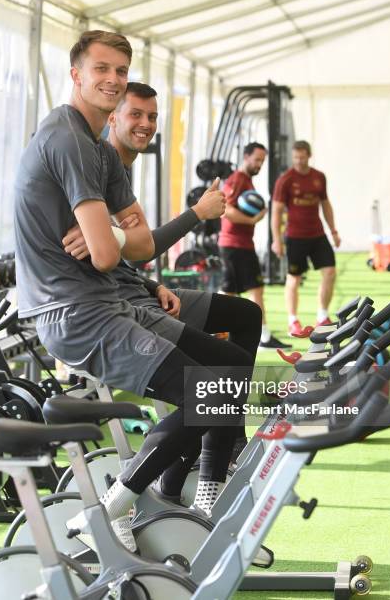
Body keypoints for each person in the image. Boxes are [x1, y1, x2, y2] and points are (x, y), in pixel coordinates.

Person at [14, 30, 253, 551]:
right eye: (102, 69)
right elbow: (105, 255)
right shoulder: (69, 139)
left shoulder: (101, 149)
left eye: (121, 71)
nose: (113, 80)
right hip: (74, 313)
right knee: (202, 390)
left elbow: (138, 246)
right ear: (76, 75)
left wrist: (115, 235)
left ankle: (205, 486)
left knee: (228, 365)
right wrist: (115, 240)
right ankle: (111, 507)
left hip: (111, 302)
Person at [61, 82, 262, 496]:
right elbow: (129, 247)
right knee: (220, 377)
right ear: (112, 116)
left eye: (152, 117)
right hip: (113, 309)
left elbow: (131, 251)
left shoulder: (118, 169)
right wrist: (196, 214)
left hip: (137, 291)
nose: (146, 125)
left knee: (245, 320)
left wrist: (151, 282)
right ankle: (193, 478)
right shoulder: (91, 166)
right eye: (135, 115)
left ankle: (223, 445)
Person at [218, 142, 290, 349]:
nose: (259, 164)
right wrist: (253, 219)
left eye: (262, 161)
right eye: (257, 159)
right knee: (254, 289)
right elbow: (226, 210)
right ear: (246, 157)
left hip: (238, 244)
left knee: (229, 291)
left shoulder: (245, 180)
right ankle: (263, 337)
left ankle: (218, 332)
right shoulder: (238, 179)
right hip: (235, 245)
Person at [271, 140, 341, 336]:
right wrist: (277, 239)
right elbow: (276, 212)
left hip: (317, 235)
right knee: (294, 278)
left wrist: (333, 231)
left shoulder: (319, 177)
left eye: (302, 157)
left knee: (330, 272)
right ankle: (293, 321)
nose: (299, 161)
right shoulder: (285, 180)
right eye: (295, 157)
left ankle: (322, 316)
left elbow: (325, 205)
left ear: (309, 156)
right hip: (295, 237)